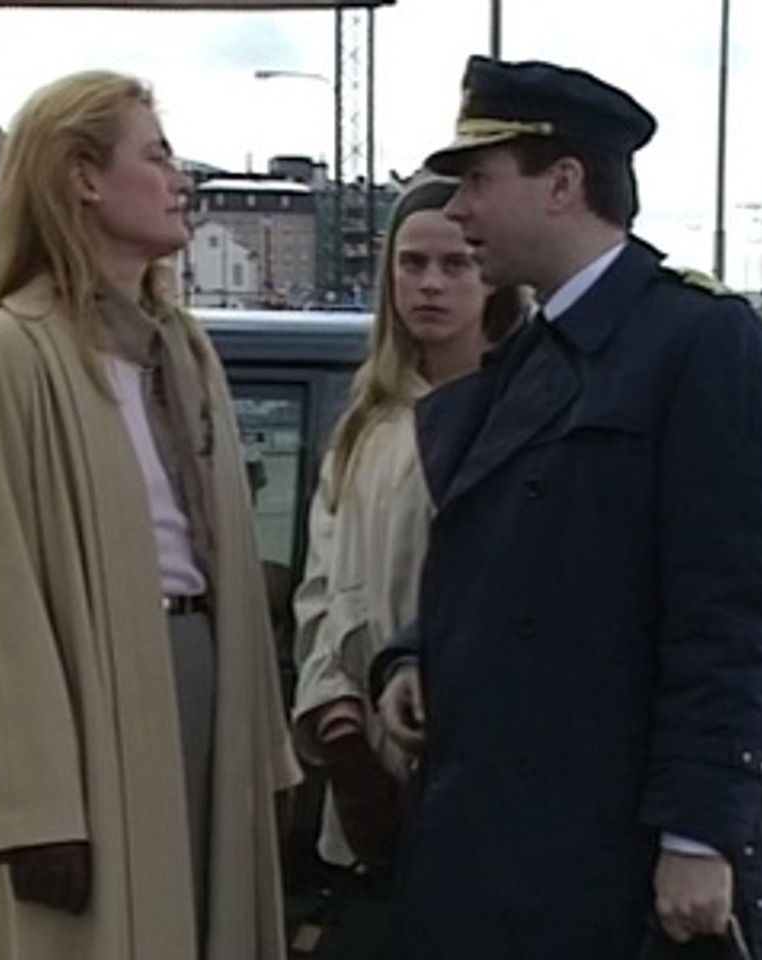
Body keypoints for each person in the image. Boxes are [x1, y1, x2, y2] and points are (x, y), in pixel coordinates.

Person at [372, 57, 762, 959]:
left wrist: (699, 834)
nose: (459, 211)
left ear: (564, 183)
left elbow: (732, 615)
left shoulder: (697, 340)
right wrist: (413, 656)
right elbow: (516, 563)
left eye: (479, 181)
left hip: (609, 847)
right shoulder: (537, 350)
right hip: (498, 841)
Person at [0, 70, 301, 960]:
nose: (182, 180)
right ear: (83, 177)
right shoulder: (1, 352)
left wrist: (264, 749)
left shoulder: (181, 349)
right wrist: (33, 811)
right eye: (158, 156)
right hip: (91, 694)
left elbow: (225, 553)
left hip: (202, 668)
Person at [292, 174, 523, 876]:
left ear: (492, 277)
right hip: (374, 758)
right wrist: (344, 744)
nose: (430, 285)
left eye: (456, 265)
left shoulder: (520, 416)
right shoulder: (365, 428)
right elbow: (325, 596)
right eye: (412, 263)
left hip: (488, 768)